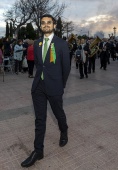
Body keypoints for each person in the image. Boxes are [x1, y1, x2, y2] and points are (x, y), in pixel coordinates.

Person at [21, 14, 70, 168]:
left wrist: (60, 85)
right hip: (38, 87)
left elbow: (66, 68)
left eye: (49, 22)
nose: (46, 25)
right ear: (40, 26)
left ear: (54, 25)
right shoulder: (37, 43)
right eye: (43, 23)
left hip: (55, 87)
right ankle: (38, 151)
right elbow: (38, 64)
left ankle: (64, 130)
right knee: (39, 119)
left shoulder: (61, 44)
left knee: (58, 113)